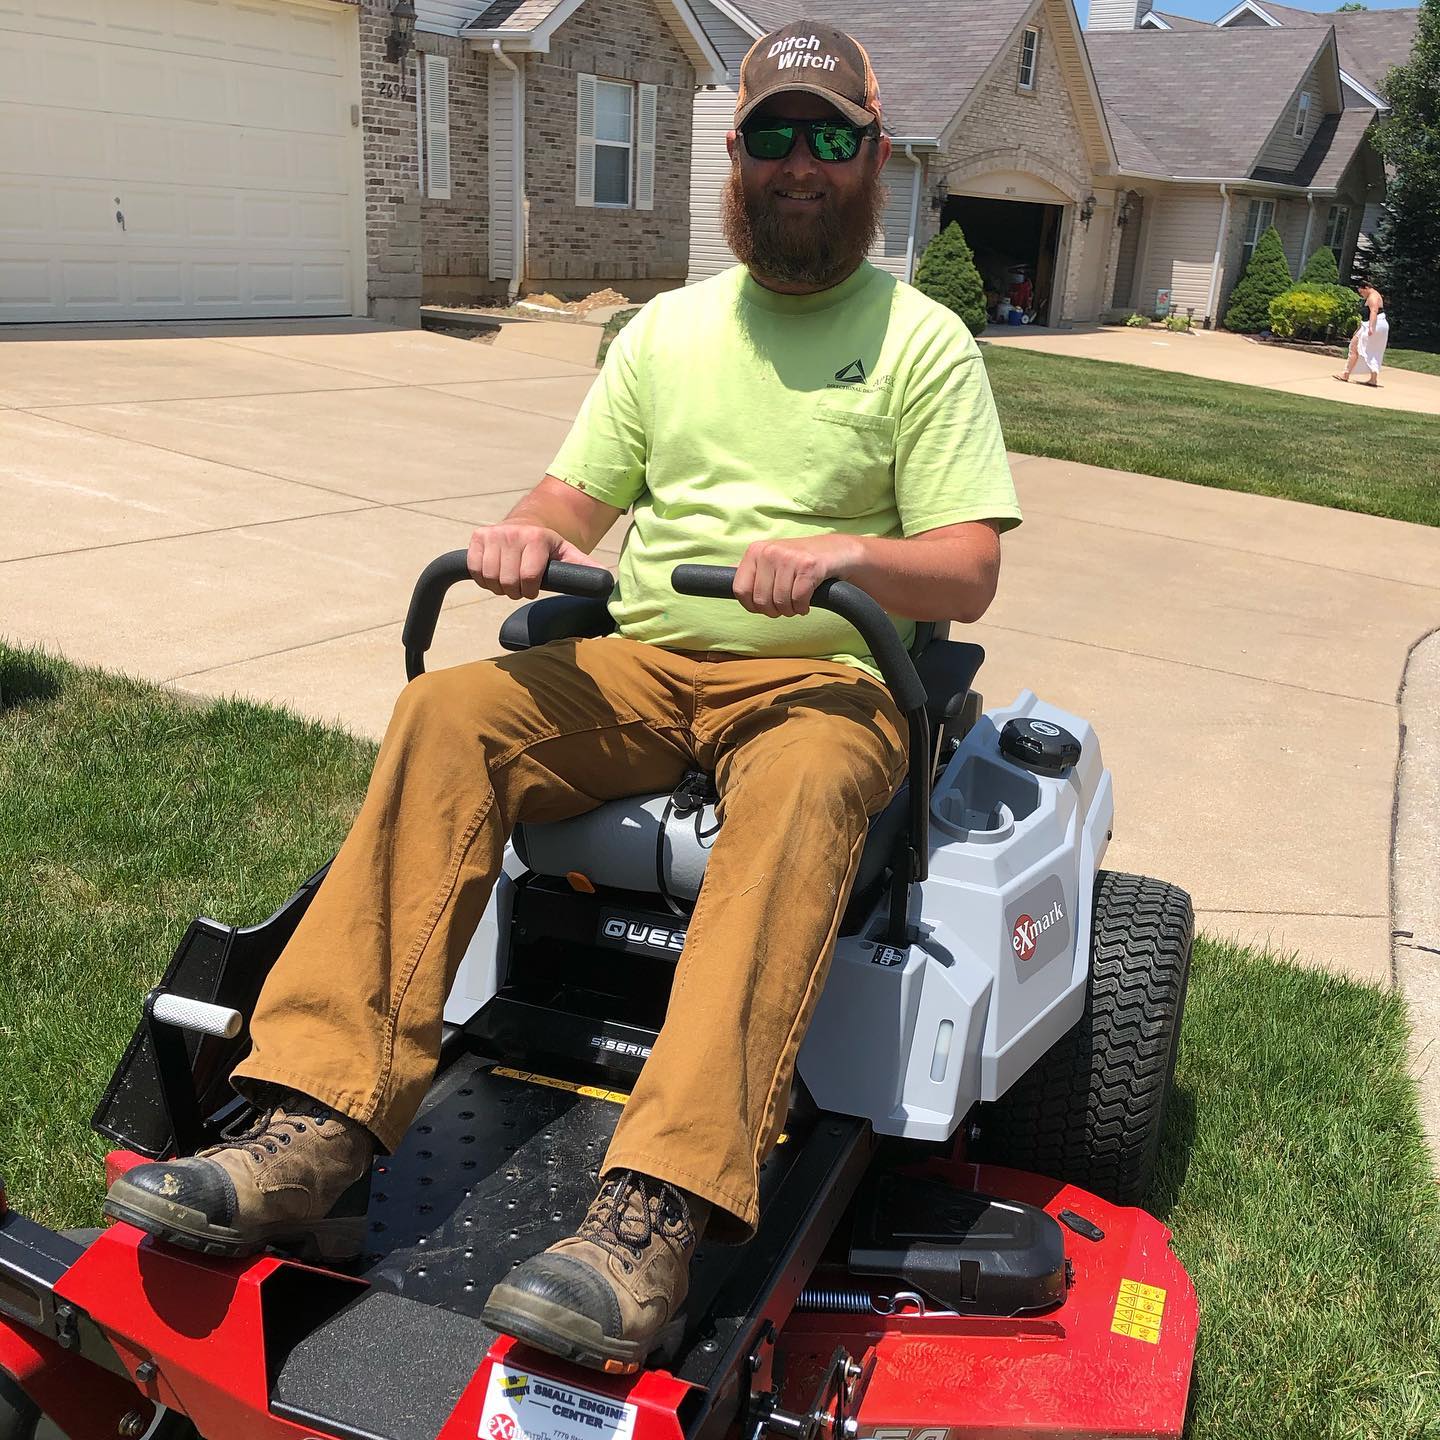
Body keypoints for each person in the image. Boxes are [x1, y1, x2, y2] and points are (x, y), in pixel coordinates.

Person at [103, 22, 1021, 1375]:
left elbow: (970, 566)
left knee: (810, 784)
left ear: (876, 156)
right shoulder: (665, 335)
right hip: (649, 661)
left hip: (823, 679)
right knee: (449, 714)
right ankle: (310, 1124)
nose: (802, 163)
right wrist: (523, 532)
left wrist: (843, 558)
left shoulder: (924, 342)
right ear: (736, 160)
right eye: (776, 135)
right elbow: (570, 495)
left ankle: (653, 1216)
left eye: (832, 137)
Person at [1336, 282, 1388, 387]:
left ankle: (1346, 374)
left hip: (1374, 325)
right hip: (1375, 325)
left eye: (1361, 292)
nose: (1361, 295)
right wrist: (1361, 328)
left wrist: (1371, 327)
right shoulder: (1375, 295)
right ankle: (1373, 379)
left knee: (1355, 347)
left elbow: (1373, 311)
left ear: (1367, 288)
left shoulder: (1373, 297)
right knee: (1372, 350)